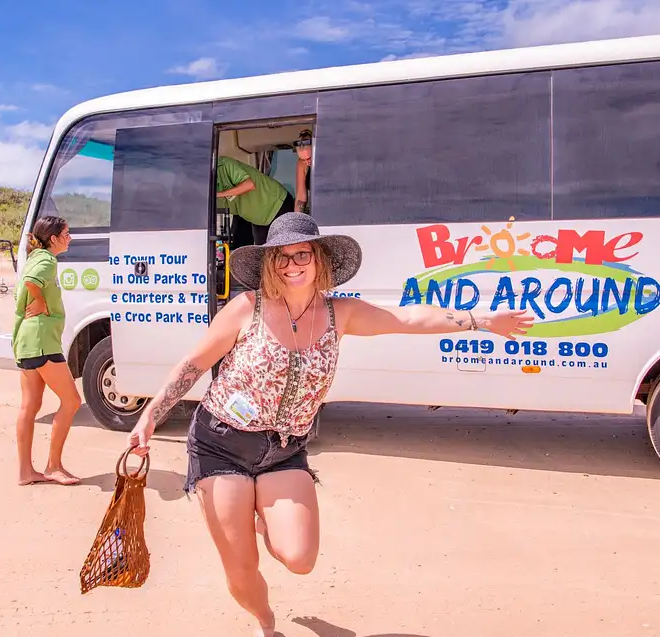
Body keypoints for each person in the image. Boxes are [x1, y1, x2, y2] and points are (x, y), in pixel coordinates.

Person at [124, 213, 534, 636]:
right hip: (221, 444)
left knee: (300, 559)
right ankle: (266, 622)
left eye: (301, 254)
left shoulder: (343, 314)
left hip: (283, 450)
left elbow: (407, 319)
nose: (291, 265)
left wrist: (482, 321)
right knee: (242, 570)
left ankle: (264, 515)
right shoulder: (247, 308)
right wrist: (151, 416)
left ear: (319, 259)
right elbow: (193, 365)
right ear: (270, 265)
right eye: (280, 258)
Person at [11, 215, 82, 486]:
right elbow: (31, 281)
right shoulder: (46, 259)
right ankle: (53, 466)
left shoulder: (35, 257)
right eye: (66, 233)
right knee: (72, 401)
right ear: (53, 239)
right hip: (41, 340)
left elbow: (29, 278)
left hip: (27, 341)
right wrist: (40, 300)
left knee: (29, 407)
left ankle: (25, 472)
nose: (70, 238)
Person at [217, 155, 294, 248]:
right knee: (259, 252)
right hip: (255, 214)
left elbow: (249, 185)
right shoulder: (200, 192)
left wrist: (218, 194)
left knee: (279, 249)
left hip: (275, 202)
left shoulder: (224, 164)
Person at [293, 129, 313, 213]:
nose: (306, 162)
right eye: (303, 159)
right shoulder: (302, 164)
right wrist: (297, 219)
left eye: (309, 159)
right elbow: (301, 198)